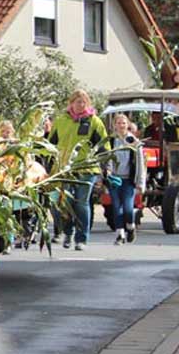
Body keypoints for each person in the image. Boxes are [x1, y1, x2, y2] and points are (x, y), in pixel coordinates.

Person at [49, 89, 108, 250]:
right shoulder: (61, 121)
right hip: (64, 169)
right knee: (65, 203)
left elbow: (103, 146)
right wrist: (49, 167)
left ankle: (81, 239)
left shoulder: (94, 121)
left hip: (86, 168)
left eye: (84, 102)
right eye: (78, 102)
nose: (81, 105)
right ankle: (68, 232)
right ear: (71, 103)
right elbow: (51, 144)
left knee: (82, 203)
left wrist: (104, 169)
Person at [105, 113, 146, 245]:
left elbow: (140, 163)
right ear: (114, 125)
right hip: (114, 179)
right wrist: (105, 175)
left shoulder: (134, 142)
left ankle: (131, 226)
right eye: (118, 123)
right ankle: (120, 235)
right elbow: (106, 159)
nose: (121, 125)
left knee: (128, 208)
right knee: (117, 208)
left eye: (123, 123)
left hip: (129, 180)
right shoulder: (111, 141)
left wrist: (140, 182)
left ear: (127, 125)